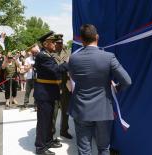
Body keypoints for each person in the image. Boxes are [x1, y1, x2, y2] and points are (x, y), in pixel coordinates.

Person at [68, 24, 132, 155]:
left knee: (84, 149)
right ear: (97, 37)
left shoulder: (73, 58)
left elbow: (74, 78)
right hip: (103, 109)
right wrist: (116, 89)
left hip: (81, 109)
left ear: (81, 40)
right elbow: (127, 81)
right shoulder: (108, 57)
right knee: (103, 148)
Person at [33, 31, 68, 155]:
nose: (54, 44)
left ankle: (48, 141)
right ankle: (40, 147)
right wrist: (69, 64)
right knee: (43, 121)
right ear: (45, 44)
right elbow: (56, 70)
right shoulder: (43, 56)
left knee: (48, 119)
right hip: (44, 93)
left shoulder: (47, 54)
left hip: (49, 92)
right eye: (52, 42)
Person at [51, 34, 72, 139]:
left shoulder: (68, 53)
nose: (59, 44)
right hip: (54, 85)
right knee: (54, 110)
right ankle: (52, 131)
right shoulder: (50, 54)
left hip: (65, 85)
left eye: (61, 43)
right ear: (55, 43)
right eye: (58, 43)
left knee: (65, 110)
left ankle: (64, 130)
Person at [23, 44, 40, 108]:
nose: (34, 54)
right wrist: (30, 66)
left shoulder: (38, 58)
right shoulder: (27, 59)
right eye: (33, 53)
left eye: (35, 52)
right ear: (31, 53)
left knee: (36, 92)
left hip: (37, 77)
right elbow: (25, 69)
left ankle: (36, 104)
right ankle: (25, 103)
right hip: (29, 77)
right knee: (27, 91)